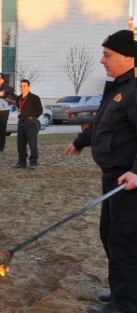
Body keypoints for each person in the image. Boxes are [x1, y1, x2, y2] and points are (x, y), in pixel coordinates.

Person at [65, 30, 136, 313]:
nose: (101, 61)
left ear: (129, 57)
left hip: (127, 182)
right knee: (110, 235)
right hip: (112, 178)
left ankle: (126, 305)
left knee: (124, 241)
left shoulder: (134, 90)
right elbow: (101, 124)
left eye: (108, 55)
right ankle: (124, 291)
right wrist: (80, 141)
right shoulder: (118, 88)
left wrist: (135, 172)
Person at [14, 79, 43, 169]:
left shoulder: (34, 98)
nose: (22, 88)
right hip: (21, 122)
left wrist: (32, 117)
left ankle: (33, 162)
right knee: (21, 144)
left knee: (32, 143)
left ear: (28, 87)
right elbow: (19, 107)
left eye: (24, 86)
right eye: (21, 86)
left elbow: (40, 110)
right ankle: (22, 162)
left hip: (31, 123)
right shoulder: (18, 98)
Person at [0, 73, 17, 153]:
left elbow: (14, 100)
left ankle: (0, 148)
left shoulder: (8, 88)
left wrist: (4, 95)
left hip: (3, 112)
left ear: (4, 80)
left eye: (0, 79)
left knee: (2, 130)